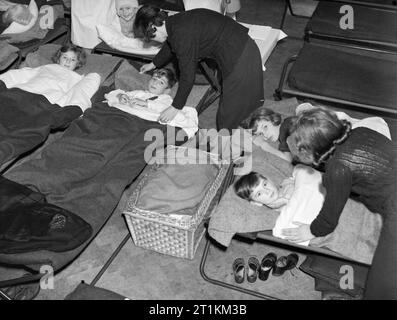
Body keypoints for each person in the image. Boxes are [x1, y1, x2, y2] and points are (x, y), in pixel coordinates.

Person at [282, 108, 397, 299]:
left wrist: (310, 230)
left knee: (380, 288)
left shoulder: (337, 169)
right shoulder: (360, 131)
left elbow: (328, 220)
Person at [133, 5, 264, 130]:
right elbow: (170, 44)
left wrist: (175, 107)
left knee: (229, 111)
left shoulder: (182, 36)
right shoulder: (173, 22)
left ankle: (227, 142)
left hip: (240, 56)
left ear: (154, 27)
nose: (153, 41)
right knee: (247, 97)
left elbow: (187, 75)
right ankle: (254, 123)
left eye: (151, 37)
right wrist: (154, 64)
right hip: (245, 45)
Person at [234, 165, 325, 246]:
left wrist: (287, 196)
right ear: (256, 203)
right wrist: (285, 201)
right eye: (259, 194)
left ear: (269, 179)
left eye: (265, 184)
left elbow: (305, 179)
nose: (267, 191)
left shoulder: (286, 183)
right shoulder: (276, 214)